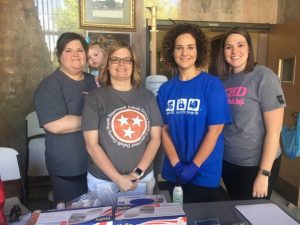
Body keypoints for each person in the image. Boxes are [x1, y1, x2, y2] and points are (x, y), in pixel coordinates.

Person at [156, 23, 231, 203]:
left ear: (199, 51)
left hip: (204, 172)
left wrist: (194, 166)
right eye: (179, 48)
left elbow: (215, 131)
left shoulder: (212, 85)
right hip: (174, 171)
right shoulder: (166, 89)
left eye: (190, 47)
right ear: (171, 52)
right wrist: (176, 164)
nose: (184, 53)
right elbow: (163, 130)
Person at [81, 41, 162, 196]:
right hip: (103, 181)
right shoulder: (94, 98)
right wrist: (117, 178)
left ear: (133, 65)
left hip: (141, 179)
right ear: (107, 65)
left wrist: (137, 173)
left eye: (126, 60)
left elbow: (155, 139)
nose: (121, 64)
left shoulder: (147, 97)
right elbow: (91, 145)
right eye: (115, 59)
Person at [217, 27, 285, 200]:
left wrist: (264, 173)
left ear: (249, 48)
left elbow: (274, 131)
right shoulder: (223, 80)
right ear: (223, 51)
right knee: (236, 209)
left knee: (253, 214)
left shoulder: (264, 77)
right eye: (228, 46)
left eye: (240, 45)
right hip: (229, 161)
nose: (234, 51)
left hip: (256, 164)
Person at [34, 32, 97, 204]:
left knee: (100, 212)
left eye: (80, 50)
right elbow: (55, 125)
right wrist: (96, 119)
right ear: (59, 55)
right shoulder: (50, 85)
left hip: (97, 163)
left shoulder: (93, 81)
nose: (75, 55)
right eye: (68, 50)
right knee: (73, 214)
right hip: (68, 165)